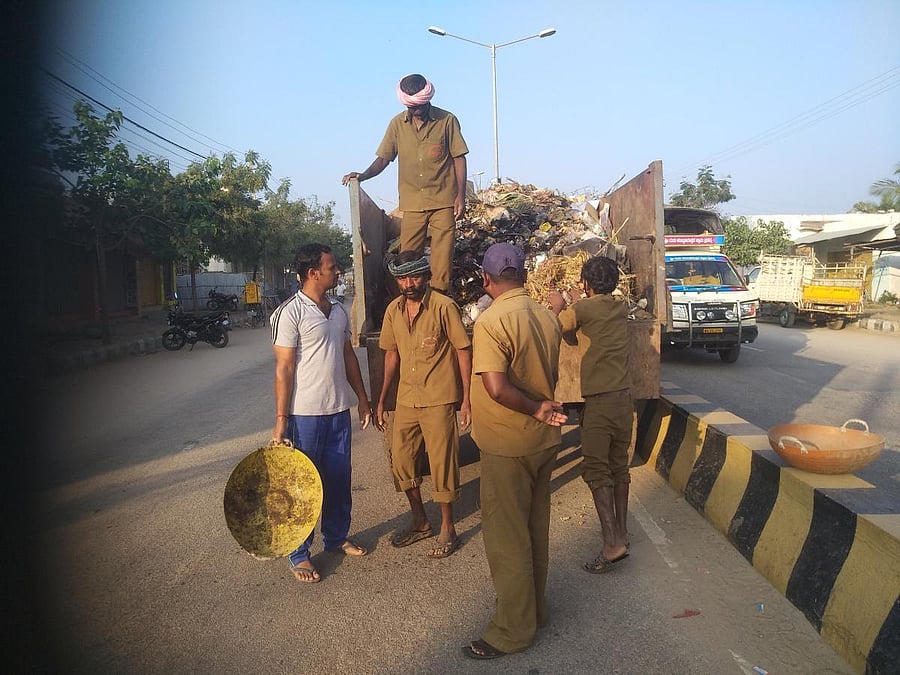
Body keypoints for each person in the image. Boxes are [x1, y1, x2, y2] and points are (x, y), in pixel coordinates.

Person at [463, 243, 567, 660]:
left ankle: (511, 631)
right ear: (524, 276)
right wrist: (541, 411)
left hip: (508, 443)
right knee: (534, 531)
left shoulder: (491, 322)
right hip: (543, 442)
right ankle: (534, 611)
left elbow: (496, 387)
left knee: (508, 539)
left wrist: (535, 408)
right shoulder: (546, 316)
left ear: (486, 279)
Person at [271, 243, 373, 584]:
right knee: (303, 486)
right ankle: (299, 553)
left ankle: (336, 537)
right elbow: (284, 368)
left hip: (337, 411)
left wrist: (362, 399)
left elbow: (348, 356)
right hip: (304, 417)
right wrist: (281, 422)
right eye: (332, 267)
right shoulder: (290, 312)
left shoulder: (339, 311)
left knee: (339, 480)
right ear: (313, 273)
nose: (338, 271)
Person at [374, 251, 472, 558]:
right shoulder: (393, 310)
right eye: (402, 279)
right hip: (407, 398)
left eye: (415, 277)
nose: (409, 284)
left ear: (426, 276)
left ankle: (448, 528)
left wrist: (466, 399)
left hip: (439, 398)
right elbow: (391, 354)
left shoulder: (443, 307)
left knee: (443, 464)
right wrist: (382, 399)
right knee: (401, 461)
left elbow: (463, 350)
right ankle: (420, 521)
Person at [341, 73, 468, 294]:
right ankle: (409, 299)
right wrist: (363, 175)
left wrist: (460, 196)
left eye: (420, 105)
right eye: (412, 106)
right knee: (407, 258)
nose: (416, 110)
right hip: (412, 204)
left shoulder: (447, 120)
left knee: (442, 259)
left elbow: (459, 158)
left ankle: (438, 300)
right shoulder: (397, 124)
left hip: (443, 201)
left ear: (428, 99)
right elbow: (383, 159)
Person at [548, 255, 631, 574]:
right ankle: (622, 533)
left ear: (585, 283)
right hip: (623, 401)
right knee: (619, 467)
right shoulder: (620, 307)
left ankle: (612, 544)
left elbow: (558, 328)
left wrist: (559, 305)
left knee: (596, 470)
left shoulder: (582, 309)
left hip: (600, 403)